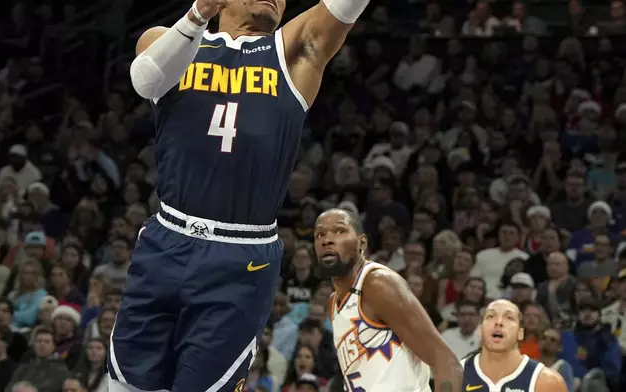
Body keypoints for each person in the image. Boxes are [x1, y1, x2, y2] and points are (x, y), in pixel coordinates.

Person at [109, 0, 371, 390]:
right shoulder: (168, 39)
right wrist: (198, 13)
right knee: (128, 384)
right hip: (166, 240)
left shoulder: (292, 51)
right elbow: (144, 80)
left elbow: (343, 7)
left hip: (240, 256)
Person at [313, 209, 463, 392]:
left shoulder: (377, 284)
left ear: (362, 243)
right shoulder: (334, 302)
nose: (326, 240)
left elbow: (446, 363)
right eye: (320, 234)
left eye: (339, 231)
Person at [461, 299, 567, 392]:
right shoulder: (455, 374)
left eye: (509, 317)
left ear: (520, 333)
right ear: (480, 330)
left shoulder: (547, 381)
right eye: (491, 316)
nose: (499, 322)